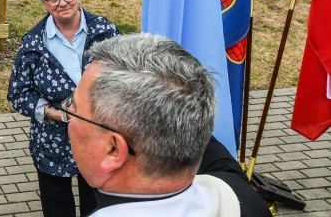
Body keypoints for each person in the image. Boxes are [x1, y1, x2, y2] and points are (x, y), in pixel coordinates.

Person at [67, 34, 270, 216]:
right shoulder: (241, 197)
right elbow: (222, 163)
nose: (70, 115)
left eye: (74, 108)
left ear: (113, 149)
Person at [8, 0, 120, 217]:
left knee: (98, 206)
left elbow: (128, 75)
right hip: (52, 142)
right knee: (57, 206)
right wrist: (51, 112)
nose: (62, 2)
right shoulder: (33, 43)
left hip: (99, 139)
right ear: (44, 3)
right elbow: (18, 93)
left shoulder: (104, 30)